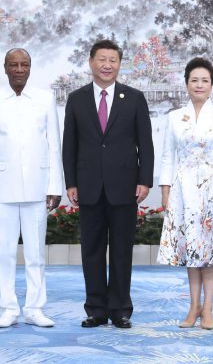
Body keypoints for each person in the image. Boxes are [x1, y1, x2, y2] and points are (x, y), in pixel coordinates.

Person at [62, 39, 154, 329]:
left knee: (122, 250)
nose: (107, 65)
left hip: (125, 186)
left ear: (119, 64)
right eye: (101, 59)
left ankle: (121, 309)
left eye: (112, 60)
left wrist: (145, 180)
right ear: (91, 62)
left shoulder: (135, 98)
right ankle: (96, 309)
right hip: (88, 186)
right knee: (91, 250)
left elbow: (146, 144)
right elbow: (70, 146)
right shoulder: (76, 99)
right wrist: (71, 182)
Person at [0, 48, 63, 328]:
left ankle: (35, 308)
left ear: (30, 67)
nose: (18, 69)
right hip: (2, 190)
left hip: (38, 189)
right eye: (13, 65)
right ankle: (8, 308)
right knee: (4, 252)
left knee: (36, 253)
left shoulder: (45, 99)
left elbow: (54, 146)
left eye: (24, 64)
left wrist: (55, 185)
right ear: (4, 68)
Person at [157, 57, 213, 330]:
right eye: (194, 80)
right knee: (191, 248)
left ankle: (208, 309)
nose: (199, 84)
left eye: (205, 80)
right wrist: (166, 192)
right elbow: (168, 157)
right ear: (186, 84)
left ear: (212, 85)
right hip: (184, 191)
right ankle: (193, 307)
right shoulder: (173, 117)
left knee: (211, 250)